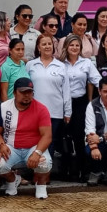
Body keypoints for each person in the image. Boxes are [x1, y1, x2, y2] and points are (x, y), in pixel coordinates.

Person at [0, 77, 54, 200]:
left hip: (33, 147)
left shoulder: (41, 109)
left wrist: (37, 152)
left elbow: (47, 136)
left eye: (29, 92)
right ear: (14, 93)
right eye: (23, 92)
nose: (27, 95)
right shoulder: (3, 107)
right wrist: (1, 145)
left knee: (44, 163)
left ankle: (41, 185)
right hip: (11, 147)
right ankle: (13, 179)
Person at [60, 33, 102, 181]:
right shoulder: (59, 64)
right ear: (66, 46)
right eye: (71, 45)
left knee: (79, 137)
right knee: (64, 137)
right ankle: (66, 170)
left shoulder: (86, 63)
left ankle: (82, 170)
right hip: (62, 103)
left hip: (80, 103)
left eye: (77, 45)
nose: (74, 48)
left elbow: (97, 80)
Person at [26, 34, 71, 169]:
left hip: (55, 111)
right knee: (34, 140)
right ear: (38, 47)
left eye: (49, 44)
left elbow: (66, 90)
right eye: (44, 44)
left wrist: (67, 111)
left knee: (49, 141)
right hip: (33, 111)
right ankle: (33, 169)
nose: (47, 46)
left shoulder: (61, 66)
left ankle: (45, 171)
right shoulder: (30, 65)